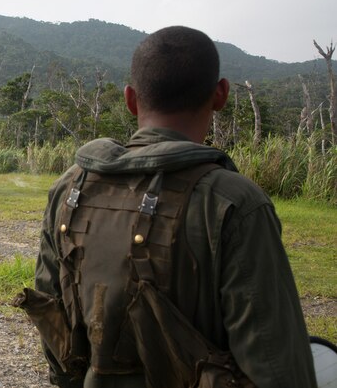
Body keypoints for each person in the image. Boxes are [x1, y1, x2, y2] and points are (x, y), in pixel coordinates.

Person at [28, 26, 317, 388]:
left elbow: (51, 316)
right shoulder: (233, 202)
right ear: (221, 94)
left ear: (131, 99)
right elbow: (277, 365)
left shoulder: (69, 187)